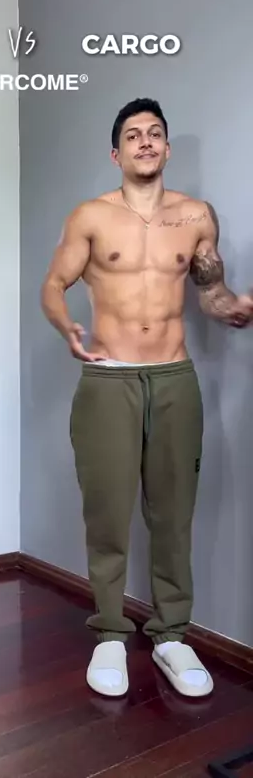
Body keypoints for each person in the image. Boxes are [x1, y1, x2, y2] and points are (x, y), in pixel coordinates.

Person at [40, 98, 253, 699]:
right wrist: (65, 325)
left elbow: (210, 290)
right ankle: (110, 632)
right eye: (133, 135)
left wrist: (232, 307)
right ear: (116, 154)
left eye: (154, 133)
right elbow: (54, 284)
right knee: (107, 512)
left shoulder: (196, 217)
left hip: (174, 379)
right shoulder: (91, 216)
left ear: (166, 148)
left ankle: (171, 636)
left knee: (173, 514)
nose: (145, 142)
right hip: (109, 380)